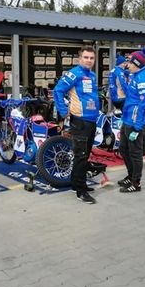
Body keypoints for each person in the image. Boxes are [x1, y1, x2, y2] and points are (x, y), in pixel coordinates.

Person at [53, 46, 99, 204]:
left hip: (92, 120)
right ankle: (81, 191)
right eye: (86, 57)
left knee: (85, 154)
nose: (89, 60)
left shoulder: (92, 75)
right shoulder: (74, 73)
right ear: (80, 59)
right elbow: (58, 90)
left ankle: (76, 184)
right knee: (81, 156)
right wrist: (62, 110)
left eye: (91, 58)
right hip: (80, 120)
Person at [118, 47, 145, 193]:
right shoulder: (135, 75)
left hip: (135, 122)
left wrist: (138, 126)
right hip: (127, 120)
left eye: (130, 62)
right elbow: (130, 98)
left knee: (135, 153)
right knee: (123, 149)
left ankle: (136, 182)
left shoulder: (143, 79)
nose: (127, 65)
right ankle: (130, 175)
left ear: (137, 64)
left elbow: (143, 104)